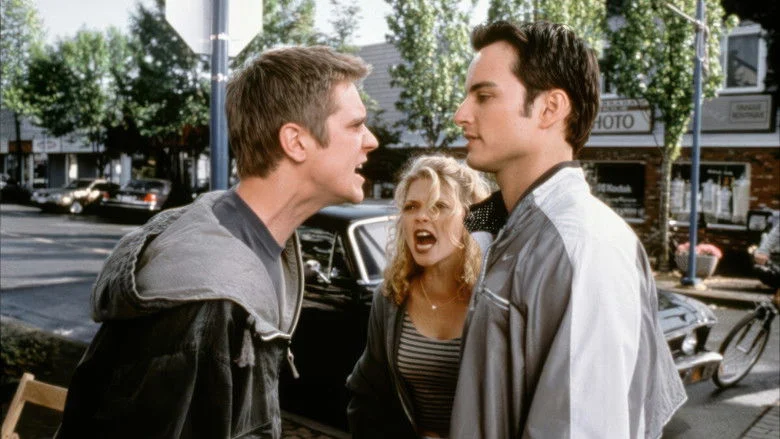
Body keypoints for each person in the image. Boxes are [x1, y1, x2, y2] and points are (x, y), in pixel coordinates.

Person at [55, 46, 378, 438]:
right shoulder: (206, 295)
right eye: (355, 125)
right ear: (295, 141)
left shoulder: (257, 248)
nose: (371, 140)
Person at [449, 21, 687, 438]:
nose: (460, 115)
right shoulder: (507, 228)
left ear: (550, 108)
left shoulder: (583, 246)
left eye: (483, 96)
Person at [346, 154, 490, 438]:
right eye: (411, 207)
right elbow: (366, 393)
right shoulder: (391, 297)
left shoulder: (493, 298)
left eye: (439, 206)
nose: (422, 216)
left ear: (470, 218)